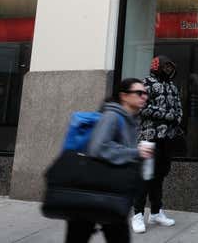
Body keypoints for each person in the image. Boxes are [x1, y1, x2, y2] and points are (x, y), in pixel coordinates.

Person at [65, 78, 154, 243]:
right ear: (124, 96)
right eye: (139, 93)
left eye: (145, 93)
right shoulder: (112, 116)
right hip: (92, 192)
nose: (144, 97)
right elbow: (98, 148)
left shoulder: (132, 120)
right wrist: (136, 152)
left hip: (109, 193)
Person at [132, 55, 183, 233]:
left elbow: (178, 108)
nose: (168, 70)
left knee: (159, 176)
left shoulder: (172, 86)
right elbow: (141, 107)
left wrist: (177, 117)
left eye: (171, 68)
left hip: (166, 139)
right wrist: (167, 115)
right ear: (157, 66)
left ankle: (155, 212)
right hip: (148, 138)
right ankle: (137, 214)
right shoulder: (145, 84)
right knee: (145, 176)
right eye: (165, 67)